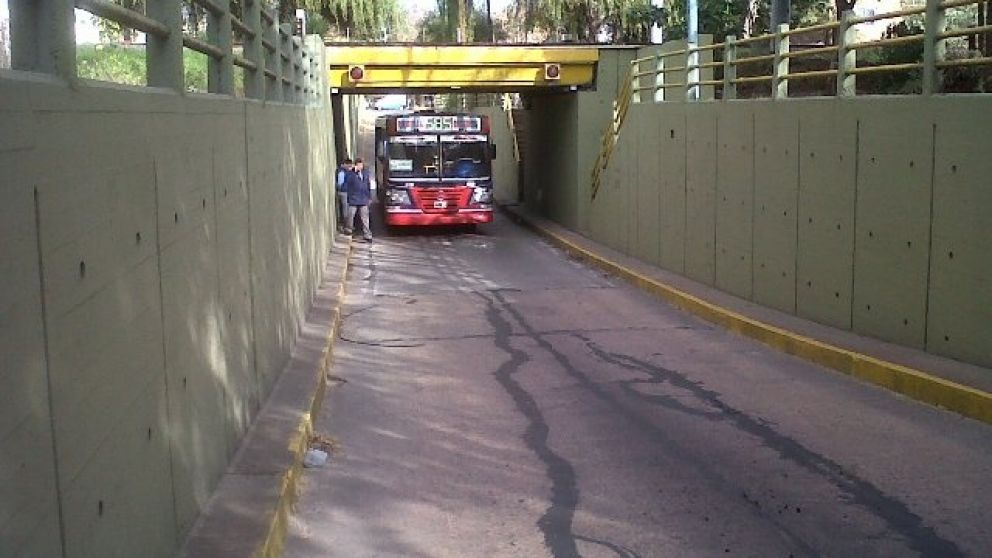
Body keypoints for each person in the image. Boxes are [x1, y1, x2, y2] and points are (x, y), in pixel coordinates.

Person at [345, 158, 373, 242]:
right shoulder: (351, 174)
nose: (361, 166)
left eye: (361, 165)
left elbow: (368, 185)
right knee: (351, 215)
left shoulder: (365, 173)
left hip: (363, 198)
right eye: (359, 165)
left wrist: (369, 197)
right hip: (354, 198)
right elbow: (347, 182)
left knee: (365, 217)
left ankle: (367, 234)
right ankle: (349, 229)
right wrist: (353, 171)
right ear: (356, 165)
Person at [336, 158, 353, 232]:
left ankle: (345, 226)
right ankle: (345, 226)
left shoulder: (343, 171)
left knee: (345, 210)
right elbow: (340, 184)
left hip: (344, 192)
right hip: (343, 192)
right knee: (345, 210)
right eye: (349, 166)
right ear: (345, 164)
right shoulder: (342, 172)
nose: (350, 167)